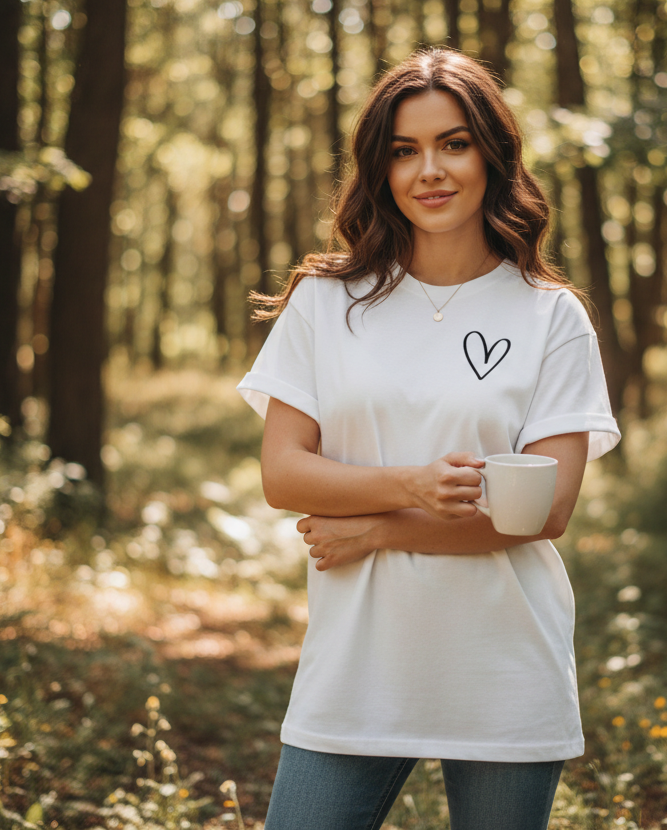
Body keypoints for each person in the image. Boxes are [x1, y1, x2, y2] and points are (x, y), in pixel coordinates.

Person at [237, 47, 620, 830]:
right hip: (355, 668)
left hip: (505, 668)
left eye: (453, 143)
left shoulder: (551, 316)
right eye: (404, 151)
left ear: (493, 153)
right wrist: (413, 485)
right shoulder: (325, 302)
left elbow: (539, 515)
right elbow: (284, 475)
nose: (429, 171)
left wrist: (374, 528)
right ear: (379, 168)